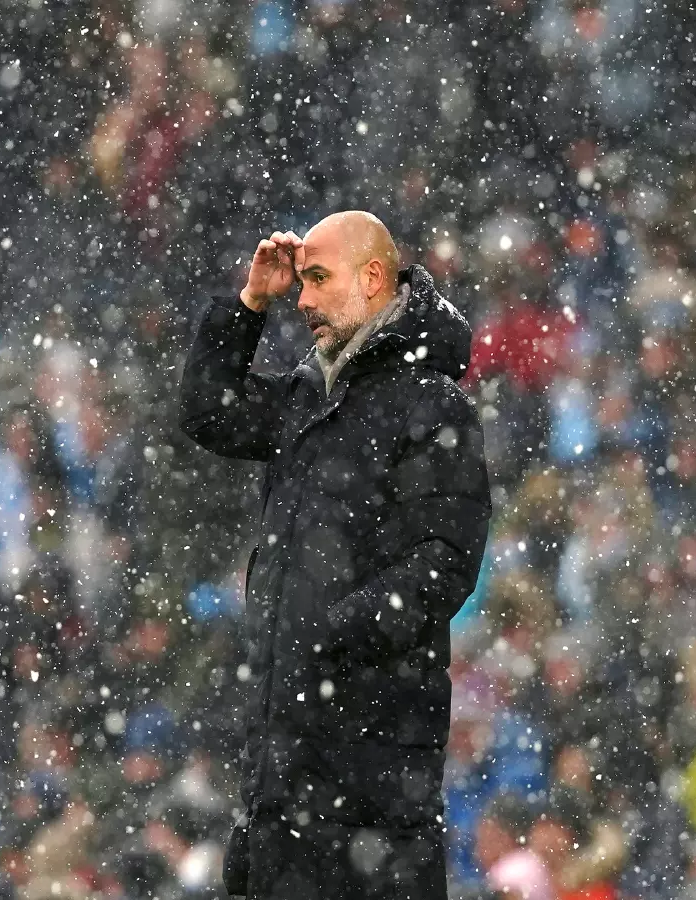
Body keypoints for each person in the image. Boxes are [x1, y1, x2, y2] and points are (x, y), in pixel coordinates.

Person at [179, 211, 492, 899]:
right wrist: (249, 303)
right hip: (282, 770)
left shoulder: (432, 405)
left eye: (318, 280)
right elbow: (207, 412)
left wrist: (327, 638)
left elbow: (444, 562)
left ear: (373, 277)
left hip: (369, 778)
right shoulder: (305, 397)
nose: (305, 300)